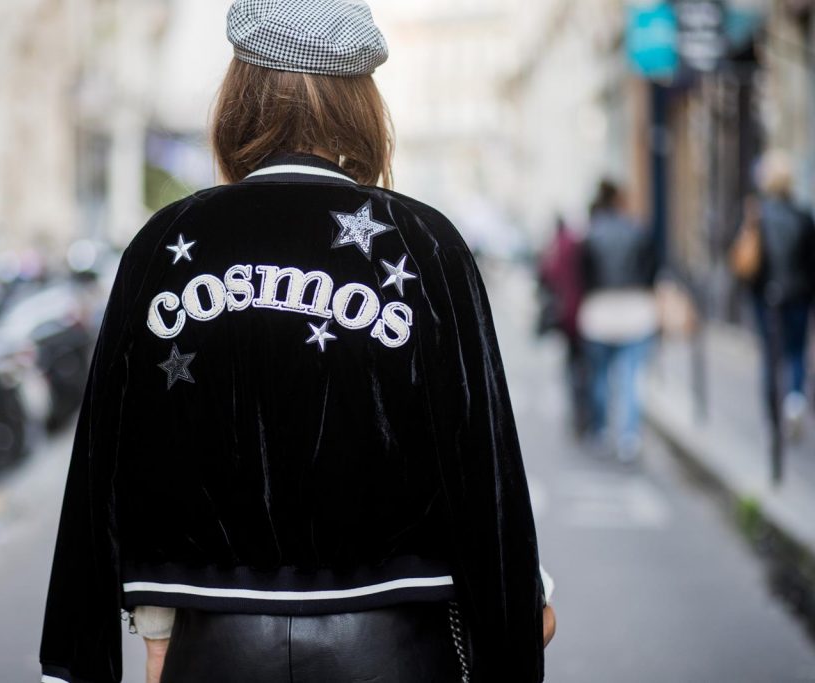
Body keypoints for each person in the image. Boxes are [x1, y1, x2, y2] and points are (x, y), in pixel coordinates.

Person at [39, 2, 554, 682]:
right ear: (362, 103)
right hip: (396, 650)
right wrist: (521, 609)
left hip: (214, 652)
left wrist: (141, 633)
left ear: (239, 95)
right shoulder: (427, 246)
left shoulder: (165, 245)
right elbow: (481, 461)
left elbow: (112, 466)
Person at [578, 180, 658, 462]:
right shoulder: (639, 232)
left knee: (601, 377)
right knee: (631, 377)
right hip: (636, 312)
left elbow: (583, 277)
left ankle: (601, 432)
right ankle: (629, 437)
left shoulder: (590, 235)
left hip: (599, 312)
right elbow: (652, 273)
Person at [746, 151, 815, 437]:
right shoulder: (803, 215)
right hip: (799, 295)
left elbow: (749, 263)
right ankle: (795, 400)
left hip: (766, 298)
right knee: (796, 352)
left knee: (770, 356)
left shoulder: (757, 215)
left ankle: (773, 418)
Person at [537, 216, 588, 436]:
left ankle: (579, 413)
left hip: (567, 315)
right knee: (585, 366)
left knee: (574, 365)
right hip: (583, 313)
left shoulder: (556, 248)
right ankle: (585, 415)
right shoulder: (577, 245)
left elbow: (546, 275)